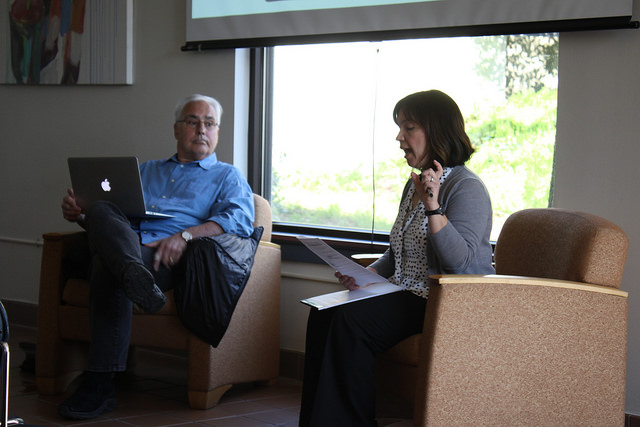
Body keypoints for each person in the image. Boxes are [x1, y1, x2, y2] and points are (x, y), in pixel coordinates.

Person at [298, 89, 495, 426]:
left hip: (440, 301)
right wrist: (364, 275)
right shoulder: (413, 185)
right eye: (399, 128)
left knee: (351, 320)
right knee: (324, 314)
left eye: (409, 128)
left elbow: (458, 263)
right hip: (404, 293)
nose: (399, 137)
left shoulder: (466, 187)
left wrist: (434, 206)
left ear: (436, 131)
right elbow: (399, 249)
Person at [57, 94, 255, 420]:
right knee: (102, 209)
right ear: (177, 129)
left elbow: (238, 221)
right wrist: (80, 214)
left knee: (107, 266)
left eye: (210, 123)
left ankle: (100, 383)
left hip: (168, 259)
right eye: (193, 121)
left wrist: (185, 236)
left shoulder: (226, 176)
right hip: (129, 248)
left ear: (218, 131)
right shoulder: (145, 171)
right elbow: (111, 222)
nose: (201, 129)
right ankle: (132, 272)